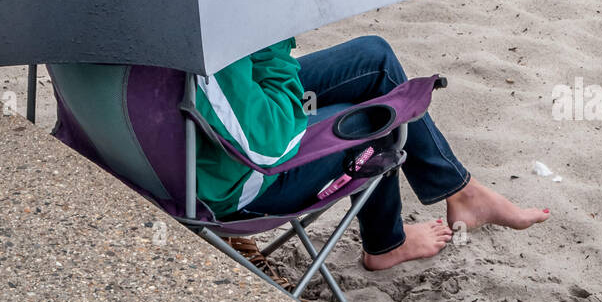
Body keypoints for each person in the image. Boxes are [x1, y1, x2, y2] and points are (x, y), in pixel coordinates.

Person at [195, 35, 548, 270]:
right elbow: (267, 144)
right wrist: (267, 42)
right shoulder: (200, 41)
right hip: (239, 183)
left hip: (220, 134)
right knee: (381, 117)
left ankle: (459, 190)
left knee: (373, 59)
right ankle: (386, 242)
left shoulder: (165, 18)